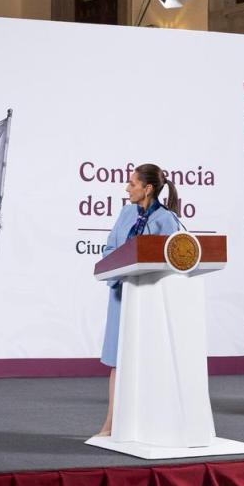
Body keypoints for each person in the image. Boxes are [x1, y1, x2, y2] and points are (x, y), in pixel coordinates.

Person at [95, 163, 182, 437]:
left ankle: (150, 424)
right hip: (121, 296)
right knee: (117, 361)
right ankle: (110, 423)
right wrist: (121, 269)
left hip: (148, 301)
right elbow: (110, 248)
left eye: (132, 184)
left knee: (147, 361)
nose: (126, 188)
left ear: (148, 188)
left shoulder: (167, 220)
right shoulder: (125, 212)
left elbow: (172, 263)